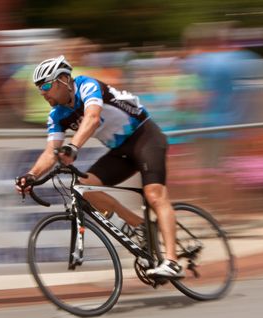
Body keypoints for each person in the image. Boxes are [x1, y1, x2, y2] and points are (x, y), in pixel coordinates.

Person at [15, 55, 184, 278]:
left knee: (154, 194)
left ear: (64, 79)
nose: (42, 92)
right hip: (120, 151)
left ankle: (172, 261)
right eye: (39, 88)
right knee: (85, 187)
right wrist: (31, 175)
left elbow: (92, 118)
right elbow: (50, 151)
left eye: (46, 85)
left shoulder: (87, 85)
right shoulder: (57, 115)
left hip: (146, 137)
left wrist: (73, 147)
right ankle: (141, 226)